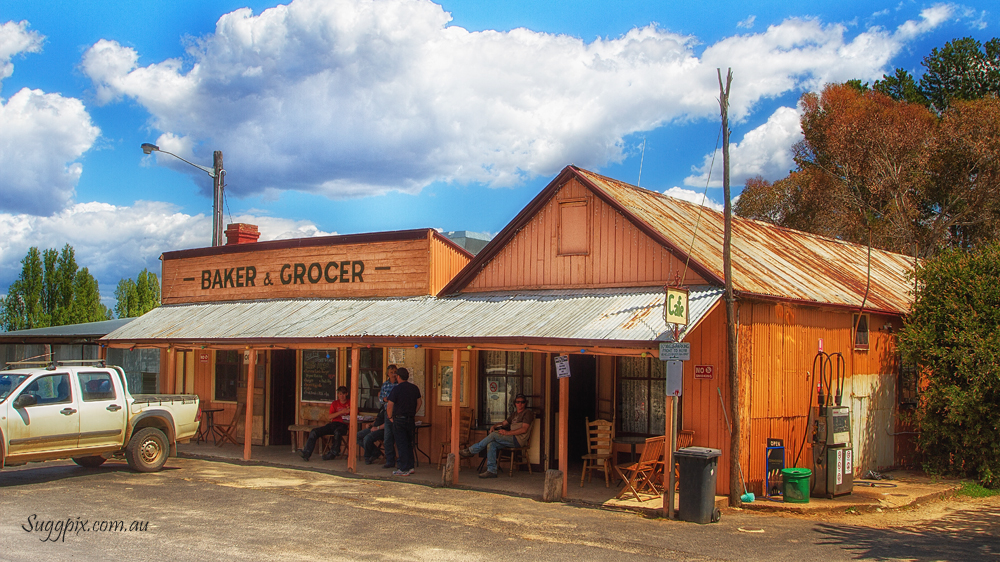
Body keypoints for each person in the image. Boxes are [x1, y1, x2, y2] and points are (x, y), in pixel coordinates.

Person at [460, 393, 534, 478]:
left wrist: (507, 433)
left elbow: (524, 429)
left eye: (522, 402)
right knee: (491, 444)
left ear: (525, 403)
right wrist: (494, 426)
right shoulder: (514, 414)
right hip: (511, 438)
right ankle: (491, 470)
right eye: (518, 402)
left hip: (518, 440)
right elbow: (504, 423)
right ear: (515, 403)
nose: (520, 404)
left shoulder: (527, 413)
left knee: (494, 435)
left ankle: (472, 450)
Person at [298, 386, 351, 461]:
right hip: (333, 424)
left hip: (344, 425)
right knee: (314, 431)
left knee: (337, 432)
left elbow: (356, 415)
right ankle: (306, 453)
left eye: (343, 394)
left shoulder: (351, 403)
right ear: (338, 395)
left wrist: (349, 411)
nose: (342, 396)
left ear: (347, 394)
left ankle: (333, 453)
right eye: (340, 394)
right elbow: (330, 416)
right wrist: (341, 412)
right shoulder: (335, 403)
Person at [385, 367, 421, 476]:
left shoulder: (396, 389)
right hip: (410, 419)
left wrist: (390, 417)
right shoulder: (414, 388)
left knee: (401, 444)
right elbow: (419, 402)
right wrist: (413, 412)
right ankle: (410, 466)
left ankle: (403, 468)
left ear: (398, 377)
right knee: (409, 443)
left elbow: (390, 405)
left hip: (399, 419)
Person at [379, 366, 399, 468]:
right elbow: (380, 398)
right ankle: (390, 460)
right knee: (387, 438)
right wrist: (385, 399)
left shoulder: (399, 384)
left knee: (399, 437)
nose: (393, 374)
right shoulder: (385, 385)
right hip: (387, 413)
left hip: (397, 413)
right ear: (388, 374)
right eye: (391, 372)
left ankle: (400, 461)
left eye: (395, 372)